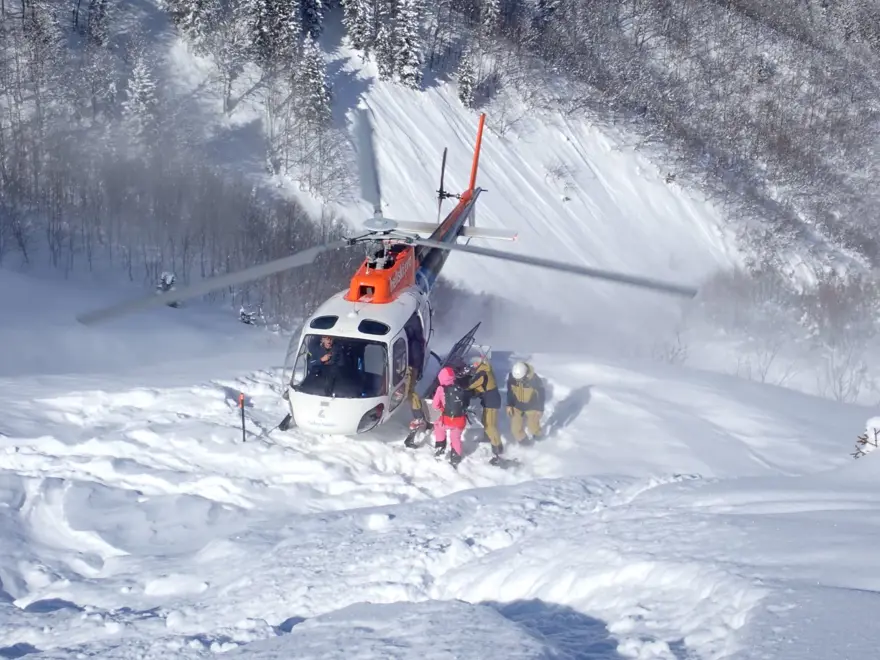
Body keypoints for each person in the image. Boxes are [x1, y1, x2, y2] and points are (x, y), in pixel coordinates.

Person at [465, 355, 504, 460]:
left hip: (491, 402)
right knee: (485, 421)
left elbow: (471, 385)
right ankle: (489, 438)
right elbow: (481, 386)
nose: (472, 367)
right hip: (490, 400)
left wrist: (461, 385)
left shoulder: (482, 373)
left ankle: (498, 450)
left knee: (490, 426)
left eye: (474, 365)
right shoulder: (487, 369)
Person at [432, 366, 469, 467]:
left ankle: (440, 448)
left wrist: (442, 408)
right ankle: (456, 457)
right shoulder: (459, 388)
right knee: (455, 437)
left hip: (448, 420)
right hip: (461, 420)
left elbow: (435, 405)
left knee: (438, 426)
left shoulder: (441, 389)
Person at [506, 361, 544, 445]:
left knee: (533, 427)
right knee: (515, 429)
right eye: (516, 379)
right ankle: (525, 444)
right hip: (517, 406)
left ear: (525, 374)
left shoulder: (535, 380)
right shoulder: (512, 377)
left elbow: (541, 395)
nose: (517, 381)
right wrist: (509, 405)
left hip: (532, 406)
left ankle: (540, 440)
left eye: (520, 379)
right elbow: (510, 392)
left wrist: (540, 409)